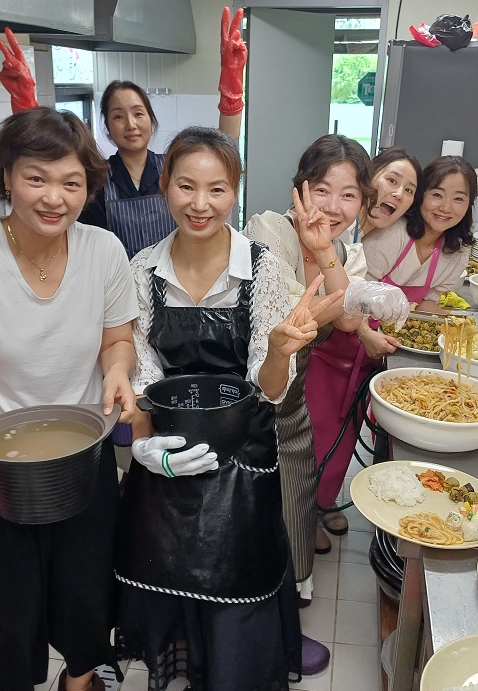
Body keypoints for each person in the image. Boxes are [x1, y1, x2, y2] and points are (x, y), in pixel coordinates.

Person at [115, 126, 342, 691]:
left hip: (245, 453)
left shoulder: (262, 270)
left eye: (217, 189)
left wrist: (282, 351)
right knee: (174, 568)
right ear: (165, 186)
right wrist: (145, 447)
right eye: (186, 186)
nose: (201, 204)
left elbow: (268, 388)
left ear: (235, 192)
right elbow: (143, 374)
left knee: (240, 573)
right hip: (170, 453)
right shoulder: (142, 270)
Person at [0, 107, 138, 691]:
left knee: (87, 589)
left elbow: (117, 340)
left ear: (89, 188)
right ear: (7, 177)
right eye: (36, 178)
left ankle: (81, 680)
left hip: (83, 454)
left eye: (71, 183)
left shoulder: (104, 251)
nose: (54, 198)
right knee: (3, 612)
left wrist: (119, 371)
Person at [242, 134, 376, 671]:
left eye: (349, 195)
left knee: (296, 504)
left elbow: (348, 317)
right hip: (253, 387)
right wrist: (331, 283)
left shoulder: (348, 253)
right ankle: (244, 626)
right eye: (322, 190)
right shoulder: (267, 231)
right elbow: (282, 317)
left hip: (293, 397)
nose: (333, 207)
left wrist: (324, 253)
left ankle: (282, 623)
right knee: (250, 507)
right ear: (298, 189)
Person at [0, 9, 247, 260]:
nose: (130, 124)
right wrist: (26, 106)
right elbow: (48, 168)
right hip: (114, 276)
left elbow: (221, 152)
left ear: (151, 119)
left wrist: (232, 93)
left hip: (172, 272)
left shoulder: (171, 166)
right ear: (106, 126)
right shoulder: (97, 177)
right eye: (118, 116)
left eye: (138, 113)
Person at [305, 148, 422, 531]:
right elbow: (340, 304)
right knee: (314, 436)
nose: (398, 194)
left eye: (409, 190)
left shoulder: (389, 235)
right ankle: (305, 513)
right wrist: (365, 331)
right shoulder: (331, 230)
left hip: (360, 356)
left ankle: (324, 504)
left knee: (345, 436)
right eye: (391, 180)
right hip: (323, 346)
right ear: (370, 180)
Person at [362, 154, 476, 312]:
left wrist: (454, 320)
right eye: (437, 195)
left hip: (397, 325)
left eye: (458, 199)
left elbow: (426, 304)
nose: (446, 208)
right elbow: (358, 297)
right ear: (420, 195)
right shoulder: (392, 234)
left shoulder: (457, 251)